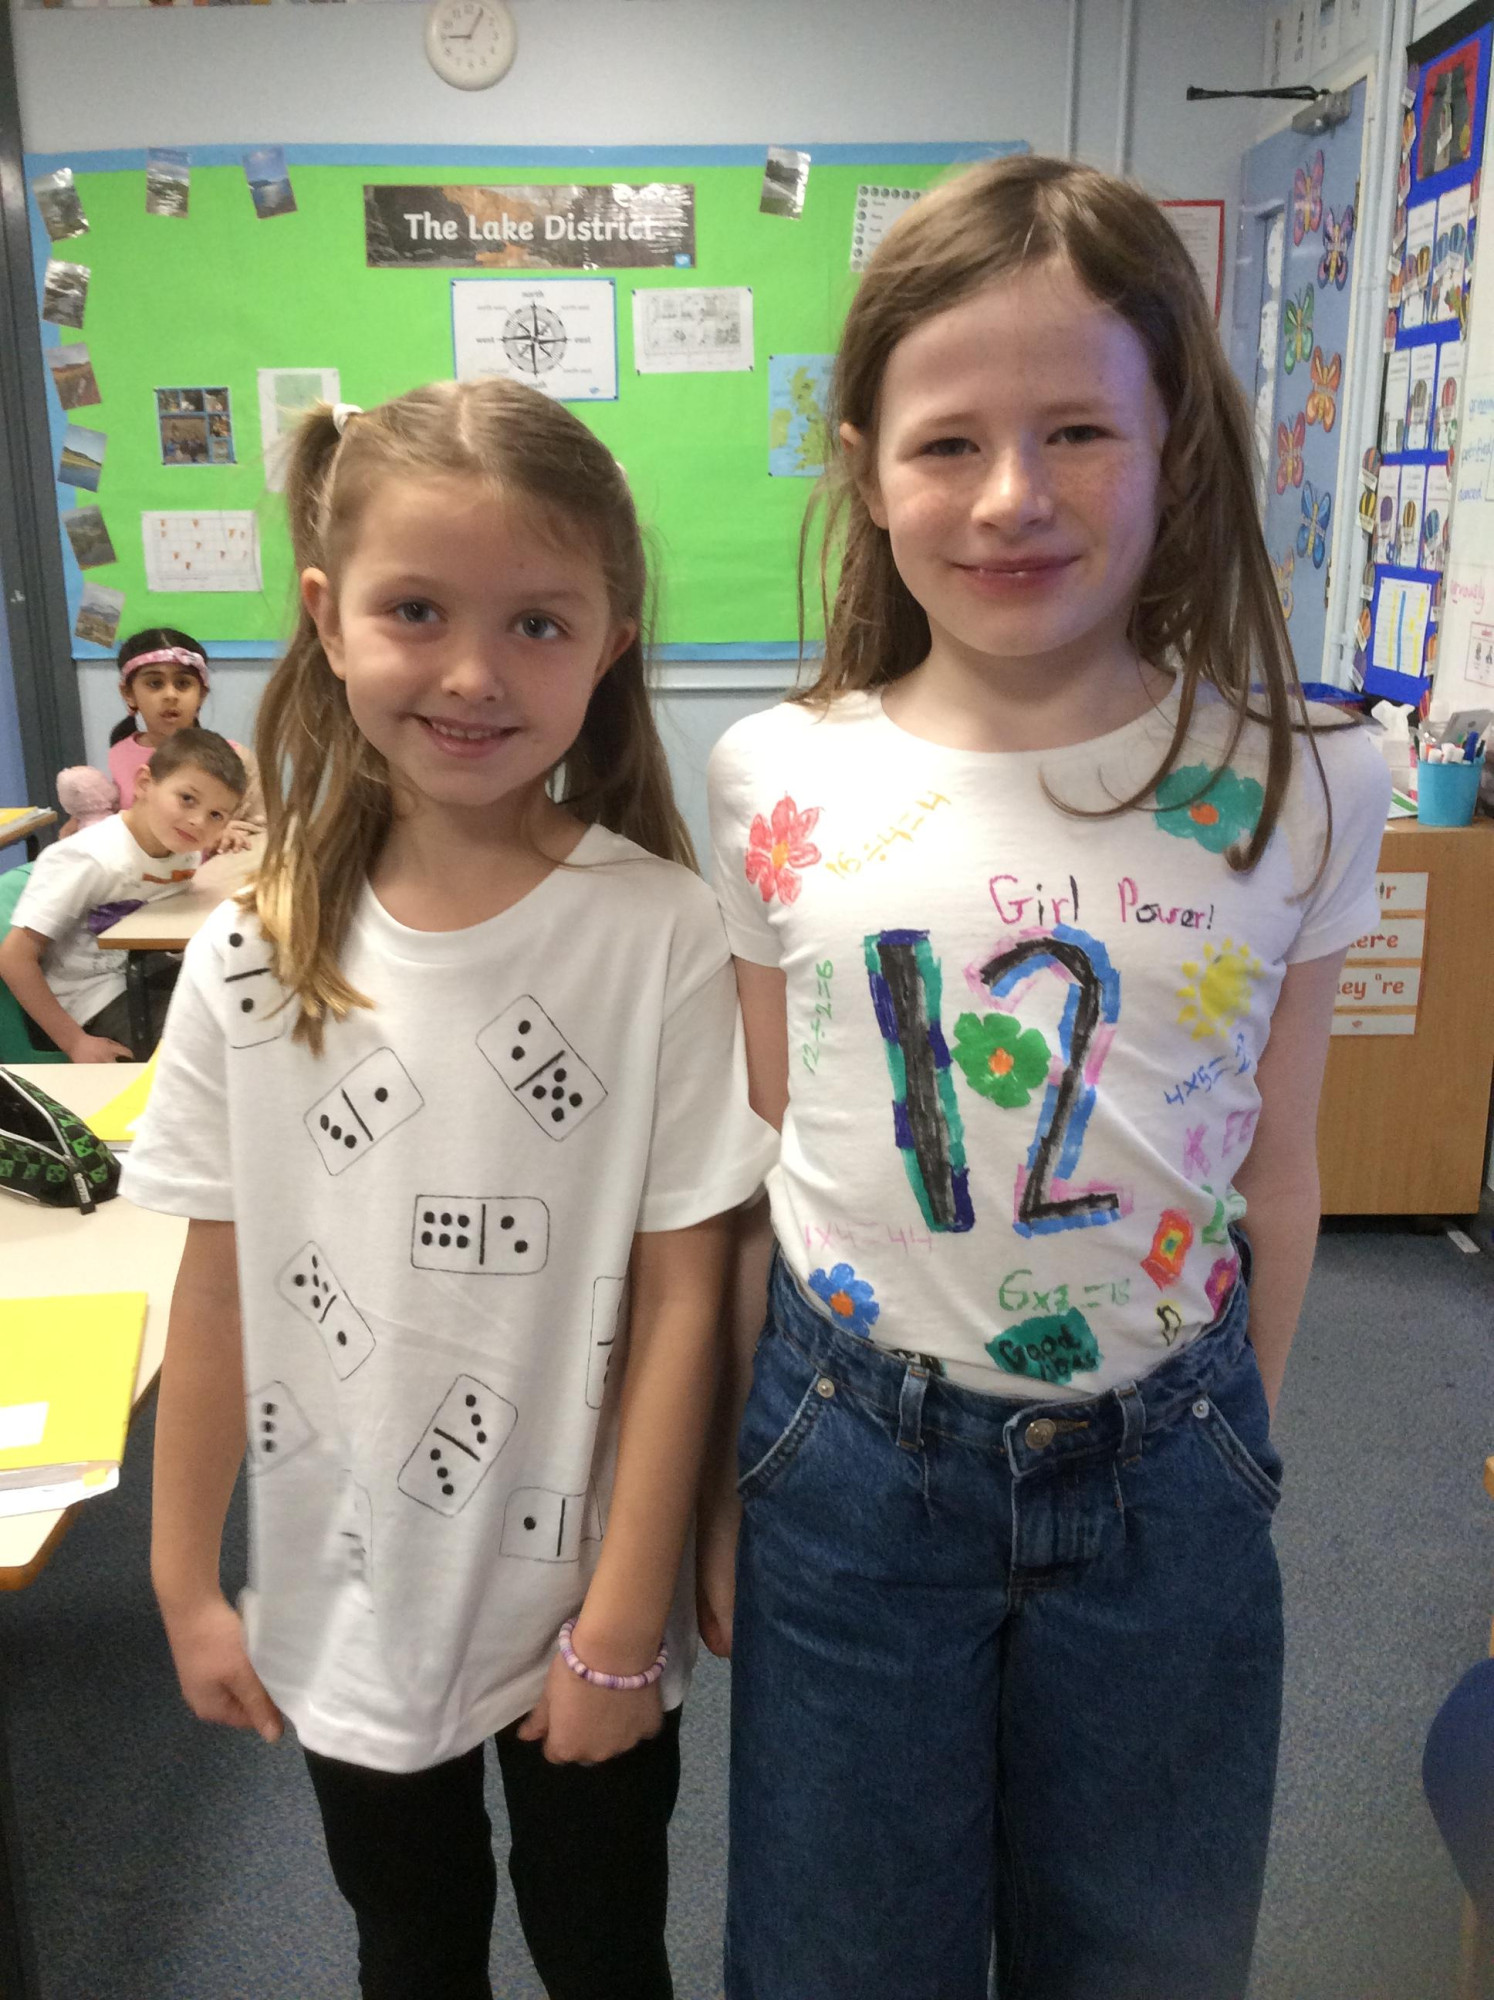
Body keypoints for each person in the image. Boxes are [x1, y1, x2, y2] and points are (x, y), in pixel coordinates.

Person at [703, 154, 1391, 2000]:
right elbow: (771, 1154)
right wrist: (724, 1485)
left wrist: (1230, 1447)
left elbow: (1278, 1164)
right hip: (848, 1461)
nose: (1011, 495)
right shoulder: (775, 776)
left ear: (1174, 448)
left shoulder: (1309, 776)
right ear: (863, 470)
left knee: (1146, 1956)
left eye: (1076, 430)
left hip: (1170, 1458)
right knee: (841, 1958)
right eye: (946, 444)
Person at [122, 381, 776, 2000]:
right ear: (327, 616)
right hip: (352, 1598)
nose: (474, 674)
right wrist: (184, 1578)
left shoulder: (658, 934)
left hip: (578, 1601)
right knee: (407, 1951)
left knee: (602, 1952)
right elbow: (218, 1287)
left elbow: (684, 1295)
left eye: (536, 623)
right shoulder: (253, 954)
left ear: (609, 644)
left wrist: (620, 1619)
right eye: (417, 611)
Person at [0, 728, 246, 1062]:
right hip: (88, 999)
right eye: (187, 799)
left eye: (216, 815)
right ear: (144, 783)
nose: (197, 822)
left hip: (141, 972)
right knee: (211, 1043)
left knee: (249, 1002)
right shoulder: (91, 858)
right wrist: (74, 1042)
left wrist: (219, 840)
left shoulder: (181, 848)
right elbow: (13, 957)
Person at [103, 626, 264, 850]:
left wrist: (225, 833)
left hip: (210, 871)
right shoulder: (119, 754)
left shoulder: (237, 759)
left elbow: (261, 830)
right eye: (155, 683)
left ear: (201, 694)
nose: (170, 695)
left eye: (183, 684)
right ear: (129, 694)